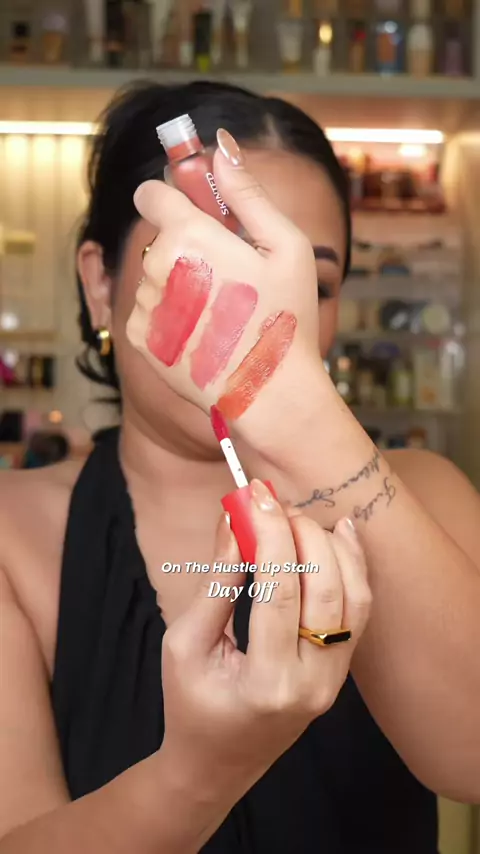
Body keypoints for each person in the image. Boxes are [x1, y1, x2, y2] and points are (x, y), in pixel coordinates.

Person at [0, 81, 480, 853]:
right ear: (100, 284)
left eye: (310, 286)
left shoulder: (428, 494)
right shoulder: (12, 537)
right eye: (211, 266)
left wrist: (293, 411)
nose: (263, 311)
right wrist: (202, 769)